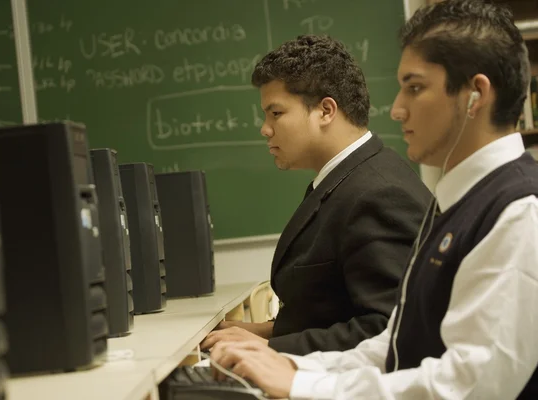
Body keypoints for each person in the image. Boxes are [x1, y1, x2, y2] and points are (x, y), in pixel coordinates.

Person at [209, 0, 538, 398]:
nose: (397, 109)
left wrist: (300, 381)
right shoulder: (461, 201)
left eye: (415, 88)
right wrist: (292, 364)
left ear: (475, 95)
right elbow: (396, 343)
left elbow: (473, 385)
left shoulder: (520, 212)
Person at [201, 34, 432, 356]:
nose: (265, 129)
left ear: (325, 111)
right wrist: (261, 330)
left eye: (276, 113)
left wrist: (271, 346)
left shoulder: (378, 193)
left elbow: (388, 327)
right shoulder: (349, 177)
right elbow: (335, 309)